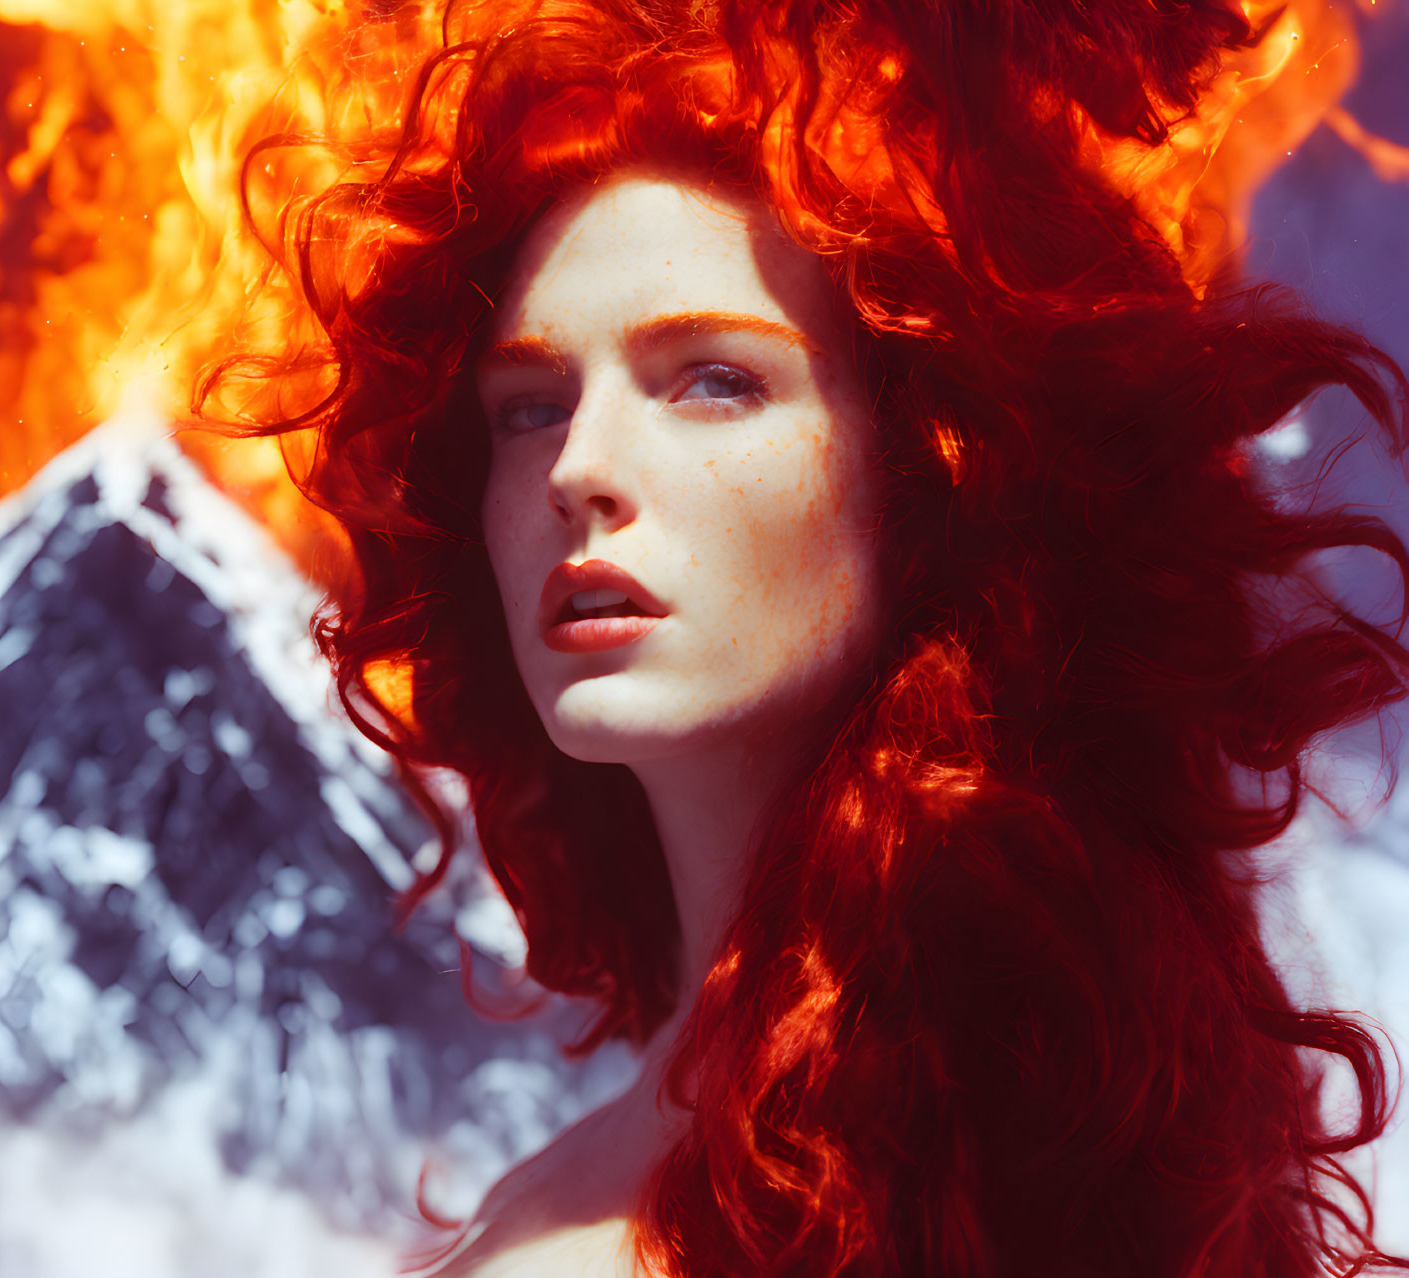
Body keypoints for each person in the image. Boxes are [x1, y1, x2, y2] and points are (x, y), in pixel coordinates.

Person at [200, 0, 1409, 1272]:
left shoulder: (983, 1164)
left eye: (715, 379)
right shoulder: (610, 1171)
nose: (580, 465)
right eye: (527, 405)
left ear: (928, 477)